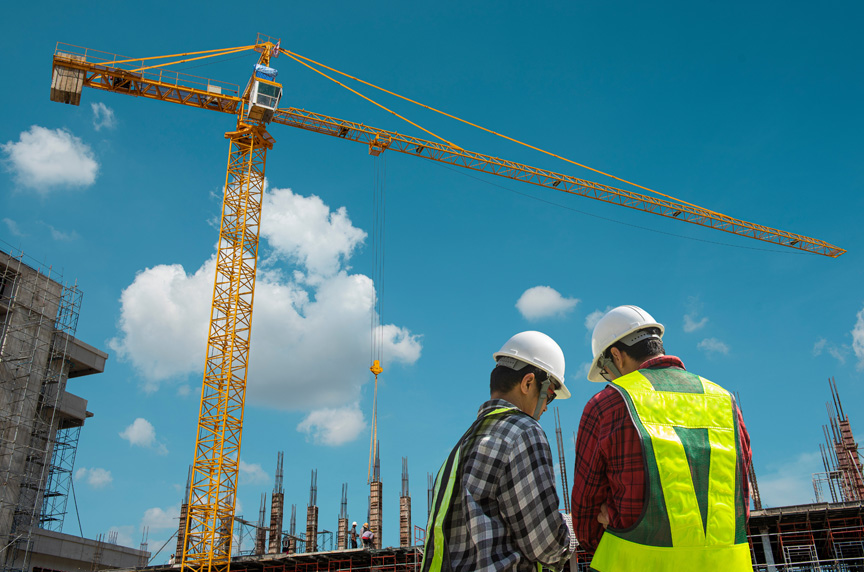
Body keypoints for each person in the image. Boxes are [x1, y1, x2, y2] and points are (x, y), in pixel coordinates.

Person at [571, 305, 752, 571]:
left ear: (616, 357)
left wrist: (620, 529)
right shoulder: (724, 400)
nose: (609, 380)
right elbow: (741, 496)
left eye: (606, 372)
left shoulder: (607, 404)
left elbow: (586, 514)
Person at [421, 331, 576, 572]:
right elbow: (546, 544)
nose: (546, 406)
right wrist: (570, 541)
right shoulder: (522, 431)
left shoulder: (461, 447)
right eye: (550, 396)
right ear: (527, 383)